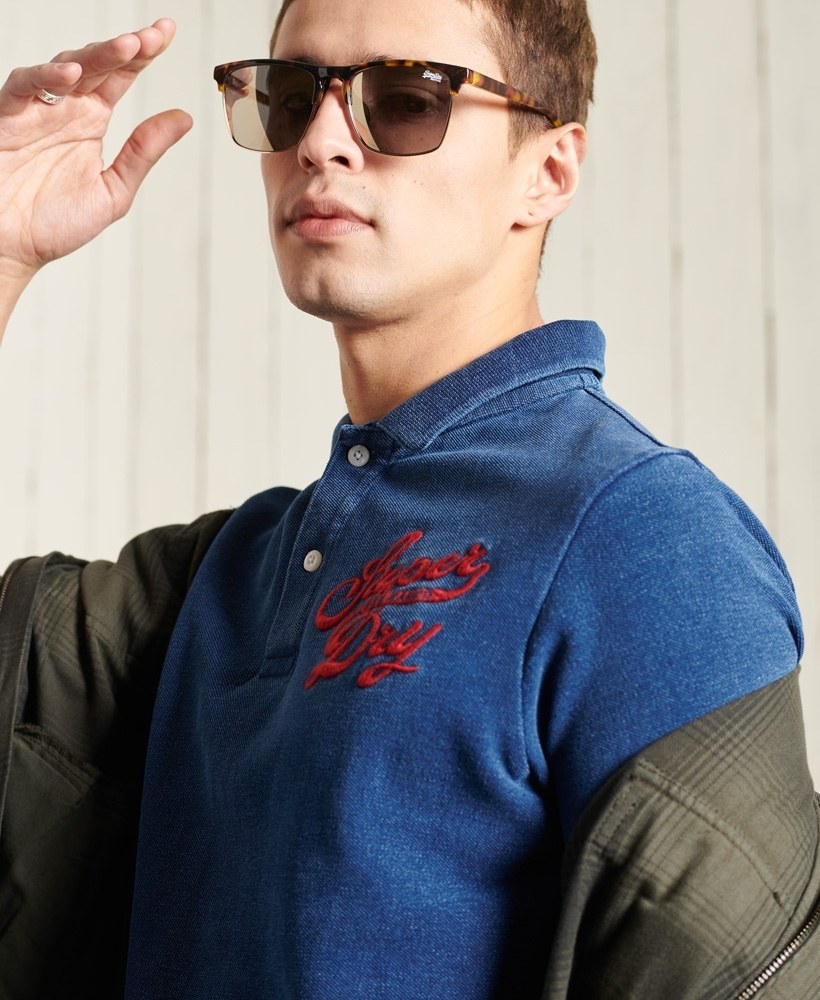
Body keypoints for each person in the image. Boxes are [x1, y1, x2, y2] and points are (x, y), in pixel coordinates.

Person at [0, 3, 818, 998]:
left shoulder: (645, 539)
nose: (321, 142)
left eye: (405, 99)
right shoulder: (218, 582)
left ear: (548, 170)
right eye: (290, 97)